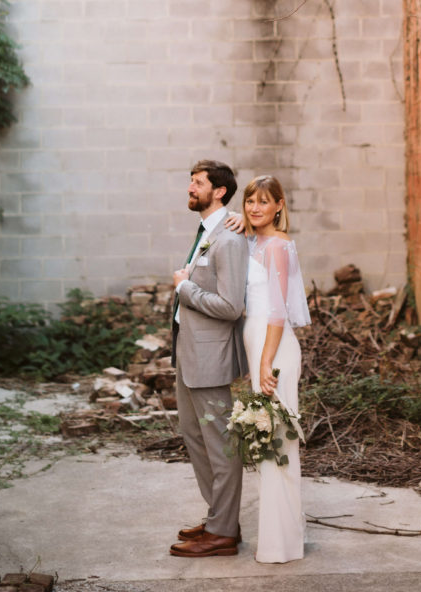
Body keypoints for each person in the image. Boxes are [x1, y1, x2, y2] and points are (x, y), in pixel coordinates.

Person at [169, 159, 249, 558]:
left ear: (219, 191)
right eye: (191, 182)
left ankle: (223, 534)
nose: (190, 188)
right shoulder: (210, 232)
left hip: (212, 359)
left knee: (220, 446)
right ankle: (219, 518)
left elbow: (232, 306)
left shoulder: (229, 238)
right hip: (189, 355)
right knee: (195, 438)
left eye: (197, 183)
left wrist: (185, 290)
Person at [241, 174, 311, 563]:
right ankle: (281, 534)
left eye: (264, 202)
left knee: (278, 440)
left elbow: (278, 310)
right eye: (251, 201)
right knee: (265, 439)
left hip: (276, 348)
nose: (255, 208)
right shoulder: (253, 242)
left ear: (279, 206)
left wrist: (266, 361)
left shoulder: (279, 246)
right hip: (259, 344)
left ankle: (281, 543)